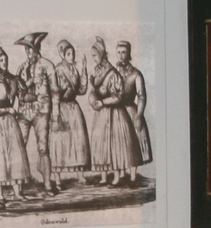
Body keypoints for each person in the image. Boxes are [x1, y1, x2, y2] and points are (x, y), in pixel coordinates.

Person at [87, 37, 142, 186]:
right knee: (101, 144)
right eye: (92, 56)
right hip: (101, 113)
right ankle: (104, 177)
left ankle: (118, 177)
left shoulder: (112, 73)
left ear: (102, 54)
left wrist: (103, 102)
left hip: (114, 113)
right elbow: (93, 92)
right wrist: (93, 100)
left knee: (116, 145)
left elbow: (118, 97)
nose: (93, 58)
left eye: (95, 55)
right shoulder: (97, 71)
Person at [0, 45, 32, 197]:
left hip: (11, 122)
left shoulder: (13, 79)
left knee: (16, 156)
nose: (4, 62)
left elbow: (23, 96)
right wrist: (7, 110)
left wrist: (37, 95)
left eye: (6, 59)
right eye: (1, 60)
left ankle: (18, 193)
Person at [13, 32, 58, 194]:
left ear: (37, 48)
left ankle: (47, 184)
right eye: (26, 49)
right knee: (19, 146)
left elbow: (55, 91)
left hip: (42, 112)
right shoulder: (21, 68)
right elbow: (19, 93)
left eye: (30, 48)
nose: (27, 52)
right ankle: (18, 186)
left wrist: (56, 113)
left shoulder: (48, 65)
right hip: (24, 112)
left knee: (43, 148)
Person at [50, 39, 92, 187]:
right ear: (62, 55)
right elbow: (54, 92)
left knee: (78, 140)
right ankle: (57, 178)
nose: (72, 56)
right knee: (59, 142)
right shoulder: (57, 70)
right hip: (61, 108)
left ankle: (80, 175)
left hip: (74, 108)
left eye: (73, 53)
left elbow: (81, 90)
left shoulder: (74, 70)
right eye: (68, 54)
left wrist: (84, 70)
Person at [115, 40, 153, 168]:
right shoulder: (113, 72)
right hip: (117, 111)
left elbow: (141, 96)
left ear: (129, 53)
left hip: (130, 110)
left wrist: (139, 115)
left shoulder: (136, 74)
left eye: (123, 52)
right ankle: (120, 173)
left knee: (133, 144)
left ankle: (133, 176)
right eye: (118, 52)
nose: (121, 55)